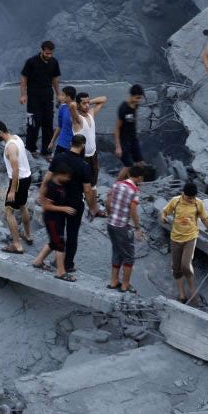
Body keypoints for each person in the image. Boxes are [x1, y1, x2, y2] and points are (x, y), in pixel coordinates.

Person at [34, 134, 101, 275]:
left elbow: (47, 177)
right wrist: (93, 207)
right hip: (75, 204)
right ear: (83, 145)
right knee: (72, 235)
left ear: (71, 143)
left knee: (58, 233)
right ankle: (67, 265)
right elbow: (88, 190)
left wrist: (41, 196)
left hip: (58, 201)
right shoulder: (84, 166)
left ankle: (50, 261)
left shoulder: (59, 158)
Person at [161, 182, 208, 303]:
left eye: (193, 198)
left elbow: (204, 219)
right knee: (176, 268)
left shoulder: (198, 203)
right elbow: (165, 211)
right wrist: (163, 217)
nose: (191, 200)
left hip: (190, 238)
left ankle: (193, 291)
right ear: (183, 194)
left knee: (185, 265)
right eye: (189, 198)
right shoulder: (176, 201)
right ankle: (182, 294)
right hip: (175, 238)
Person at [0, 120, 33, 254]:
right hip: (27, 177)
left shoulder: (10, 147)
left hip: (18, 180)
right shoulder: (17, 138)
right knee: (22, 206)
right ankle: (28, 235)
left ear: (1, 132)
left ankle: (17, 245)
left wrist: (12, 190)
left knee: (9, 212)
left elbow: (15, 170)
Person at [106, 163, 148, 293]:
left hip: (111, 224)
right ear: (140, 178)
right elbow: (133, 210)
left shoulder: (117, 184)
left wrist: (110, 214)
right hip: (123, 226)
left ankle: (113, 282)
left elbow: (108, 200)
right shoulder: (134, 191)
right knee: (129, 256)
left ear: (129, 174)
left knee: (117, 251)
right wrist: (137, 227)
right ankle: (125, 285)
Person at [32, 164, 75, 281]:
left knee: (54, 241)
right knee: (59, 243)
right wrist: (64, 209)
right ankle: (60, 271)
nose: (68, 179)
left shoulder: (60, 185)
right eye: (67, 177)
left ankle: (38, 261)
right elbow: (46, 206)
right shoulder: (51, 187)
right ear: (60, 174)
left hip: (57, 218)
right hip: (52, 219)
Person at [19, 40, 62, 156]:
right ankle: (31, 149)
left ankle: (46, 151)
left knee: (48, 124)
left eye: (51, 53)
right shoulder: (31, 62)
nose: (49, 56)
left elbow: (55, 79)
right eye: (47, 53)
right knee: (33, 124)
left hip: (48, 97)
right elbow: (24, 78)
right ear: (41, 50)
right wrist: (23, 95)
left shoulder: (54, 62)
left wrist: (58, 94)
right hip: (33, 97)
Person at [72, 91, 108, 183]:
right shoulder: (78, 119)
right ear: (78, 105)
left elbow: (104, 99)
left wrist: (88, 102)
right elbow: (72, 105)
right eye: (84, 103)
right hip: (82, 156)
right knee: (83, 182)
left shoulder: (91, 113)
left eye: (88, 103)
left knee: (93, 181)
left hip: (93, 154)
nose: (87, 105)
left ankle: (92, 196)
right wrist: (79, 105)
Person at [115, 84, 146, 174]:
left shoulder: (135, 106)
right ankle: (116, 186)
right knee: (128, 165)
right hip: (124, 140)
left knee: (141, 164)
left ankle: (135, 186)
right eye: (137, 98)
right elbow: (116, 129)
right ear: (131, 96)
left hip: (133, 139)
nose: (138, 100)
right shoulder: (123, 108)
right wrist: (118, 147)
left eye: (140, 98)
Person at [49, 86, 79, 154]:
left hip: (72, 145)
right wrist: (52, 142)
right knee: (56, 163)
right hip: (61, 143)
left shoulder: (78, 110)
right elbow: (59, 126)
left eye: (63, 95)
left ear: (68, 97)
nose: (60, 96)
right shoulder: (62, 108)